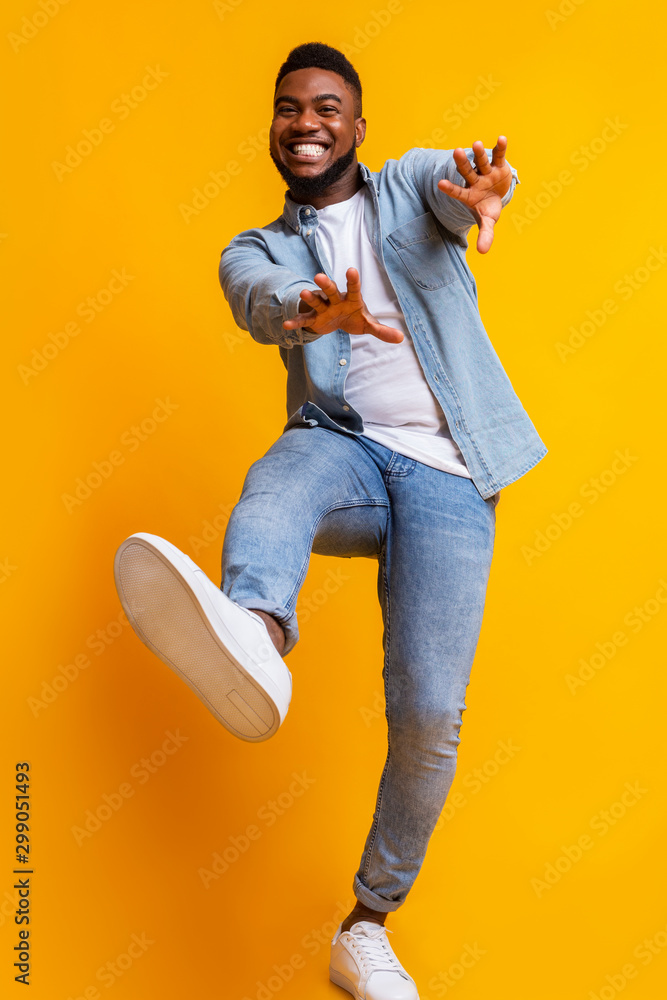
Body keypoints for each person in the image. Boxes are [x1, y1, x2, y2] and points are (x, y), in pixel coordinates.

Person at [114, 42, 547, 1000]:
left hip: (450, 474)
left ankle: (366, 927)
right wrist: (318, 307)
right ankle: (255, 634)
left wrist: (481, 187)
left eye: (325, 108)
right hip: (345, 448)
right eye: (287, 108)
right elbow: (260, 304)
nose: (304, 124)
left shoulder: (400, 189)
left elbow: (447, 181)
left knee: (431, 717)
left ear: (356, 126)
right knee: (280, 475)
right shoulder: (254, 247)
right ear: (273, 126)